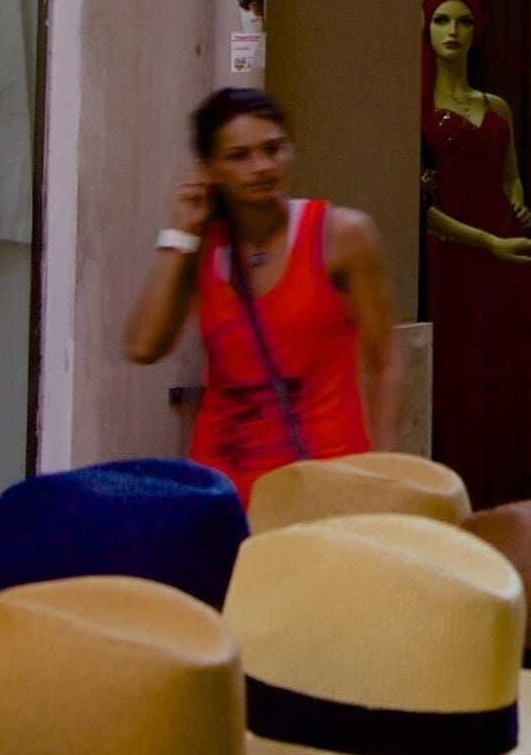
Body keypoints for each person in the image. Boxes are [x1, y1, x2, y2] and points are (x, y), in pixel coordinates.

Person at [124, 89, 402, 501]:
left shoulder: (340, 234)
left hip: (325, 477)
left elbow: (386, 359)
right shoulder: (204, 247)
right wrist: (181, 232)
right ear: (209, 169)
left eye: (273, 149)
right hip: (224, 488)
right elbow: (143, 346)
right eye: (240, 156)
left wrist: (382, 470)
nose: (263, 167)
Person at [419, 0, 531, 507]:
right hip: (452, 255)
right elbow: (413, 204)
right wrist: (487, 240)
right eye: (442, 21)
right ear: (426, 27)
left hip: (506, 256)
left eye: (464, 22)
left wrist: (517, 208)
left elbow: (511, 175)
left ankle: (506, 494)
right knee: (457, 373)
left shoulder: (495, 105)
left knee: (502, 371)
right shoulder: (415, 105)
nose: (453, 32)